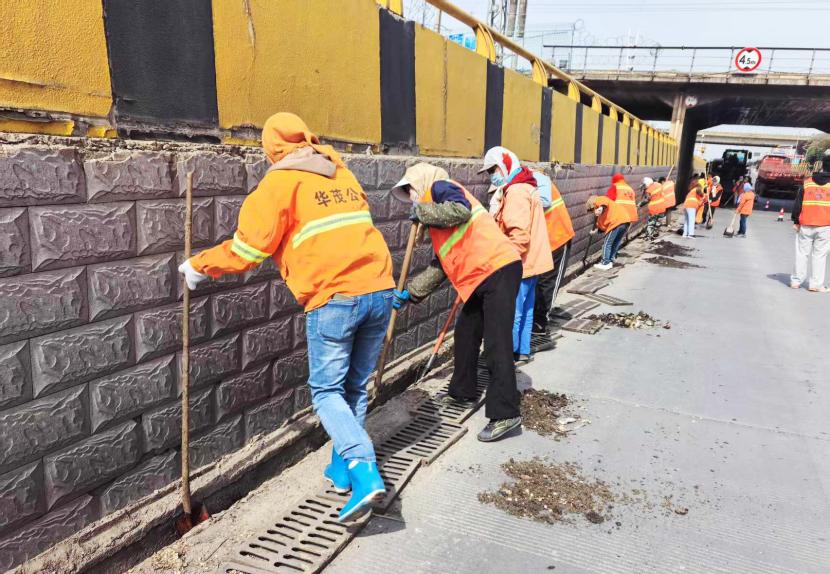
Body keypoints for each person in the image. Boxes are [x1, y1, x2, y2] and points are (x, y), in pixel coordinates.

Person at [177, 113, 394, 522]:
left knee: (326, 392)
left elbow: (248, 250)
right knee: (354, 387)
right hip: (380, 289)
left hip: (334, 298)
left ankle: (364, 470)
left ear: (272, 149)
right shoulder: (340, 173)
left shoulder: (279, 183)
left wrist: (199, 266)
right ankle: (343, 471)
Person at [390, 163, 524, 443]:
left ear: (422, 182)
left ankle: (506, 414)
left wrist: (423, 211)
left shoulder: (441, 188)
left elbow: (460, 210)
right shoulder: (437, 221)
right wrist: (412, 293)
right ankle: (462, 392)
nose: (412, 199)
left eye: (411, 191)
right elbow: (442, 264)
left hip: (498, 268)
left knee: (496, 342)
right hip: (481, 277)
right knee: (465, 333)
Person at [480, 147, 553, 364]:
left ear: (504, 165)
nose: (491, 176)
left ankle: (507, 355)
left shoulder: (516, 191)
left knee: (512, 311)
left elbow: (519, 235)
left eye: (492, 170)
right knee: (527, 308)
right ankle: (522, 351)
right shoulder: (526, 185)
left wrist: (505, 264)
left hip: (522, 263)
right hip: (534, 261)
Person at [532, 169, 575, 337]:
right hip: (542, 241)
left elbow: (544, 202)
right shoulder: (526, 182)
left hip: (558, 237)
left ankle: (541, 321)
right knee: (538, 282)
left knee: (548, 280)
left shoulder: (537, 179)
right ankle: (535, 317)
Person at [790, 151, 830, 292]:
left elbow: (798, 203)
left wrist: (796, 220)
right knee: (820, 255)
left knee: (802, 253)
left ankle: (796, 281)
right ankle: (815, 285)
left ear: (822, 165)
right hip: (825, 225)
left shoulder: (807, 182)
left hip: (806, 223)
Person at [586, 195, 629, 269]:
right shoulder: (601, 216)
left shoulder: (600, 199)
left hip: (616, 222)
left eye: (592, 210)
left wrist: (600, 209)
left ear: (593, 205)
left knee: (607, 243)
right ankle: (610, 261)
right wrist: (594, 232)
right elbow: (602, 228)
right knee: (615, 243)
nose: (593, 212)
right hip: (624, 221)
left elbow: (603, 203)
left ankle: (605, 263)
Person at [640, 176, 666, 241]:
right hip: (662, 207)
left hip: (654, 208)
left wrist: (640, 204)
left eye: (644, 184)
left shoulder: (649, 190)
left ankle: (649, 237)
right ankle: (655, 234)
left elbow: (647, 200)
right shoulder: (659, 185)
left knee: (651, 223)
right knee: (658, 222)